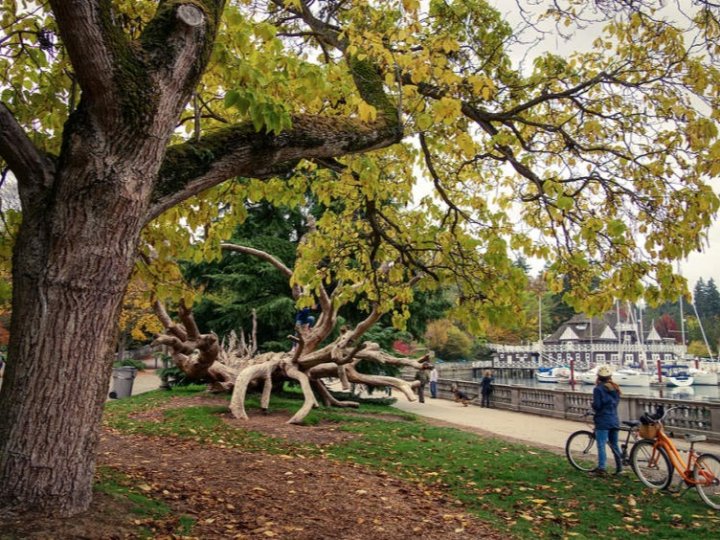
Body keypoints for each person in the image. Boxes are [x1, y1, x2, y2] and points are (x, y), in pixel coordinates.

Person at [591, 365, 622, 476]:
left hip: (603, 421)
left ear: (598, 377)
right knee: (615, 445)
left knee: (601, 445)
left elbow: (597, 406)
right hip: (614, 419)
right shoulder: (615, 388)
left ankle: (602, 468)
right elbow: (616, 403)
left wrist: (593, 406)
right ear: (610, 377)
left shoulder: (598, 389)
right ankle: (619, 468)